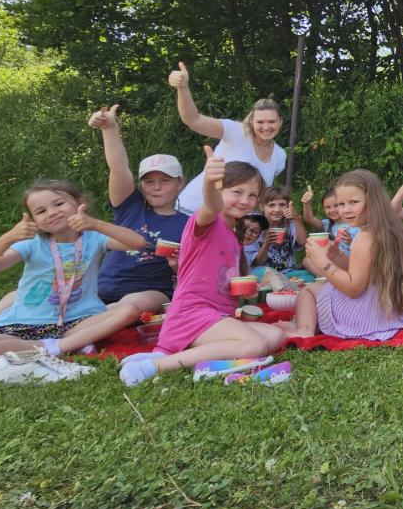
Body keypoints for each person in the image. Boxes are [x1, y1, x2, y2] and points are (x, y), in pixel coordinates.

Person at [21, 105, 191, 358]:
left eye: (165, 181)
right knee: (43, 296)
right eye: (149, 181)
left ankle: (67, 337)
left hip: (152, 289)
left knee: (133, 305)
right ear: (141, 184)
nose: (156, 187)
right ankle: (71, 332)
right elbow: (118, 168)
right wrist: (110, 129)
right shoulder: (130, 207)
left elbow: (189, 268)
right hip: (103, 286)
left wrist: (177, 265)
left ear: (180, 183)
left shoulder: (189, 223)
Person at [118, 148, 288, 386]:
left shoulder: (233, 234)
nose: (245, 200)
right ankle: (152, 367)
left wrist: (245, 289)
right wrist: (209, 181)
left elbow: (223, 280)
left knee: (276, 335)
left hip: (217, 316)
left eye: (252, 195)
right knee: (255, 344)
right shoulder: (208, 221)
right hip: (191, 313)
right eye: (237, 192)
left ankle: (179, 357)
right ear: (219, 191)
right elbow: (211, 205)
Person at [0, 180, 147, 371]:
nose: (51, 213)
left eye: (59, 204)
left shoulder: (94, 238)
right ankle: (55, 347)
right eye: (41, 211)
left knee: (129, 310)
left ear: (80, 204)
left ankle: (56, 346)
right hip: (23, 328)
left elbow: (138, 243)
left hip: (77, 323)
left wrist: (95, 224)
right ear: (34, 221)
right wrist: (8, 238)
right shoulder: (32, 244)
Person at [285, 170, 403, 340]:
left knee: (310, 291)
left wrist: (322, 262)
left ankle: (304, 329)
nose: (345, 210)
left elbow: (353, 289)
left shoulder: (365, 238)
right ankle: (309, 322)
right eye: (341, 204)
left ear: (373, 201)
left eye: (354, 202)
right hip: (390, 312)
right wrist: (337, 257)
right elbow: (364, 270)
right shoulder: (389, 229)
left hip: (365, 317)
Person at [168, 62, 287, 212]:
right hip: (192, 210)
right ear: (252, 121)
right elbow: (193, 119)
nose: (266, 127)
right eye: (260, 122)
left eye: (271, 122)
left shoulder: (279, 155)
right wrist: (183, 88)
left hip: (230, 219)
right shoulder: (236, 131)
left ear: (280, 122)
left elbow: (258, 194)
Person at [250, 185, 305, 272]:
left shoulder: (289, 222)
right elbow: (257, 263)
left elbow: (302, 241)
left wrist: (296, 218)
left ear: (288, 205)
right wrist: (266, 244)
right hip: (263, 272)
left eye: (282, 205)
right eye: (271, 205)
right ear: (262, 207)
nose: (277, 210)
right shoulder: (254, 225)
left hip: (288, 271)